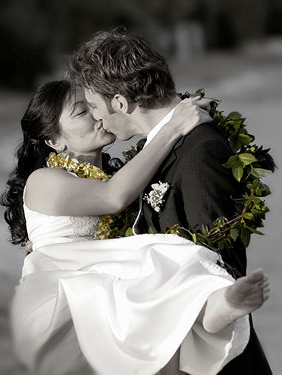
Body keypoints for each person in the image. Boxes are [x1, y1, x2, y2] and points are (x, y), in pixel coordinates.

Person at [1, 80, 269, 375]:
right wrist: (172, 127)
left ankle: (212, 308)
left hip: (115, 277)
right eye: (81, 112)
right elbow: (114, 196)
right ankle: (209, 311)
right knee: (138, 276)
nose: (96, 115)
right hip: (66, 289)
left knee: (161, 270)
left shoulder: (118, 173)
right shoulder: (43, 179)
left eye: (93, 106)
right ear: (54, 141)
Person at [68, 29, 273, 374]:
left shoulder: (200, 152)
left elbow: (222, 267)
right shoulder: (159, 150)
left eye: (92, 106)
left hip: (214, 363)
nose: (95, 118)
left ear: (120, 102)